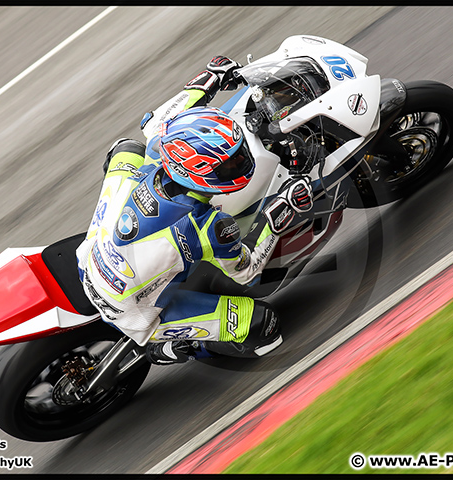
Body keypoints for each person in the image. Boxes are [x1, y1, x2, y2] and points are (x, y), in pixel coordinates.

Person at [76, 56, 313, 365]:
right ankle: (168, 347)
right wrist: (280, 209)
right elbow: (248, 273)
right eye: (230, 162)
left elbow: (172, 112)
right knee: (264, 327)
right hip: (132, 310)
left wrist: (210, 78)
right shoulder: (209, 226)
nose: (240, 162)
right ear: (197, 174)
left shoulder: (159, 146)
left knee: (126, 148)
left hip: (90, 257)